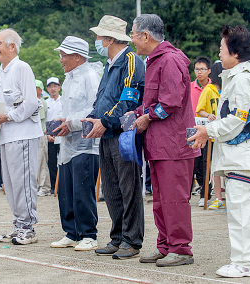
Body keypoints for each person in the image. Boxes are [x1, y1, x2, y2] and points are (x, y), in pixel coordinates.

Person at [189, 25, 250, 278]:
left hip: (243, 154)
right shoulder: (239, 77)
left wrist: (207, 131)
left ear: (235, 53)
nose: (219, 54)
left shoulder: (243, 79)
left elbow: (238, 119)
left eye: (222, 49)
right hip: (240, 153)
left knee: (241, 209)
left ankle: (245, 261)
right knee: (241, 208)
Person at [130, 14, 200, 266]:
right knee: (160, 199)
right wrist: (138, 113)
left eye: (133, 34)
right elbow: (153, 101)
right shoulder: (154, 60)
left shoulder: (169, 59)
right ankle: (166, 245)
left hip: (174, 144)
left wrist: (147, 117)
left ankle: (181, 248)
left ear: (145, 36)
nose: (132, 40)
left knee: (174, 199)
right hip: (160, 144)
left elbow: (171, 102)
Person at [83, 15, 146, 259]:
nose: (97, 41)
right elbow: (102, 99)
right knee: (111, 189)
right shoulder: (109, 65)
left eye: (99, 36)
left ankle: (132, 240)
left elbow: (128, 101)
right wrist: (92, 118)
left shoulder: (131, 61)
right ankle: (118, 237)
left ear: (110, 39)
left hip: (123, 134)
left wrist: (105, 121)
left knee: (128, 188)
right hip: (106, 132)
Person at [0, 28, 42, 245]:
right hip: (7, 134)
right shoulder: (2, 70)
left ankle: (28, 227)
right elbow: (3, 105)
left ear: (12, 47)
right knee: (10, 182)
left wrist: (6, 117)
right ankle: (19, 223)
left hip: (24, 134)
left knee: (24, 182)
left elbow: (31, 103)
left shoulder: (22, 67)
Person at [49, 36, 101, 251]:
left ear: (77, 57)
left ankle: (89, 234)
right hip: (68, 143)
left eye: (63, 55)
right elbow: (68, 110)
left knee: (82, 189)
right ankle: (71, 232)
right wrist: (62, 121)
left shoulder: (90, 76)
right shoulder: (69, 79)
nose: (61, 60)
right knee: (66, 190)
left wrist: (70, 122)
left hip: (86, 143)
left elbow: (94, 108)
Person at [195, 61, 224, 209]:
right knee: (211, 165)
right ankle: (214, 196)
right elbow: (199, 110)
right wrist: (209, 115)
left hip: (225, 134)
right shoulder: (208, 90)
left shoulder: (229, 89)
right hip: (211, 134)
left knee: (225, 165)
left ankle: (226, 196)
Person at [190, 56, 211, 197]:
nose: (200, 72)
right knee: (193, 163)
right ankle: (189, 192)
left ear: (209, 71)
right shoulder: (190, 87)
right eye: (197, 69)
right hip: (192, 129)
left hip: (209, 130)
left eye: (202, 69)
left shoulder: (213, 88)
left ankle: (206, 193)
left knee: (206, 161)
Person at [35, 79, 52, 196]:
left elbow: (36, 120)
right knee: (36, 162)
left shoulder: (40, 101)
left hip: (41, 134)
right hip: (35, 135)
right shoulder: (34, 101)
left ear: (40, 90)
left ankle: (45, 187)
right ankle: (38, 185)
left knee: (41, 162)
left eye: (35, 87)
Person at [45, 77, 62, 190]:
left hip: (61, 135)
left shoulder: (64, 100)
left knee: (62, 160)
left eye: (55, 86)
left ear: (59, 87)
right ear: (47, 88)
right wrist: (47, 134)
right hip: (49, 136)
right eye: (50, 86)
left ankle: (61, 184)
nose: (53, 89)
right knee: (51, 161)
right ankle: (53, 185)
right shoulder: (45, 103)